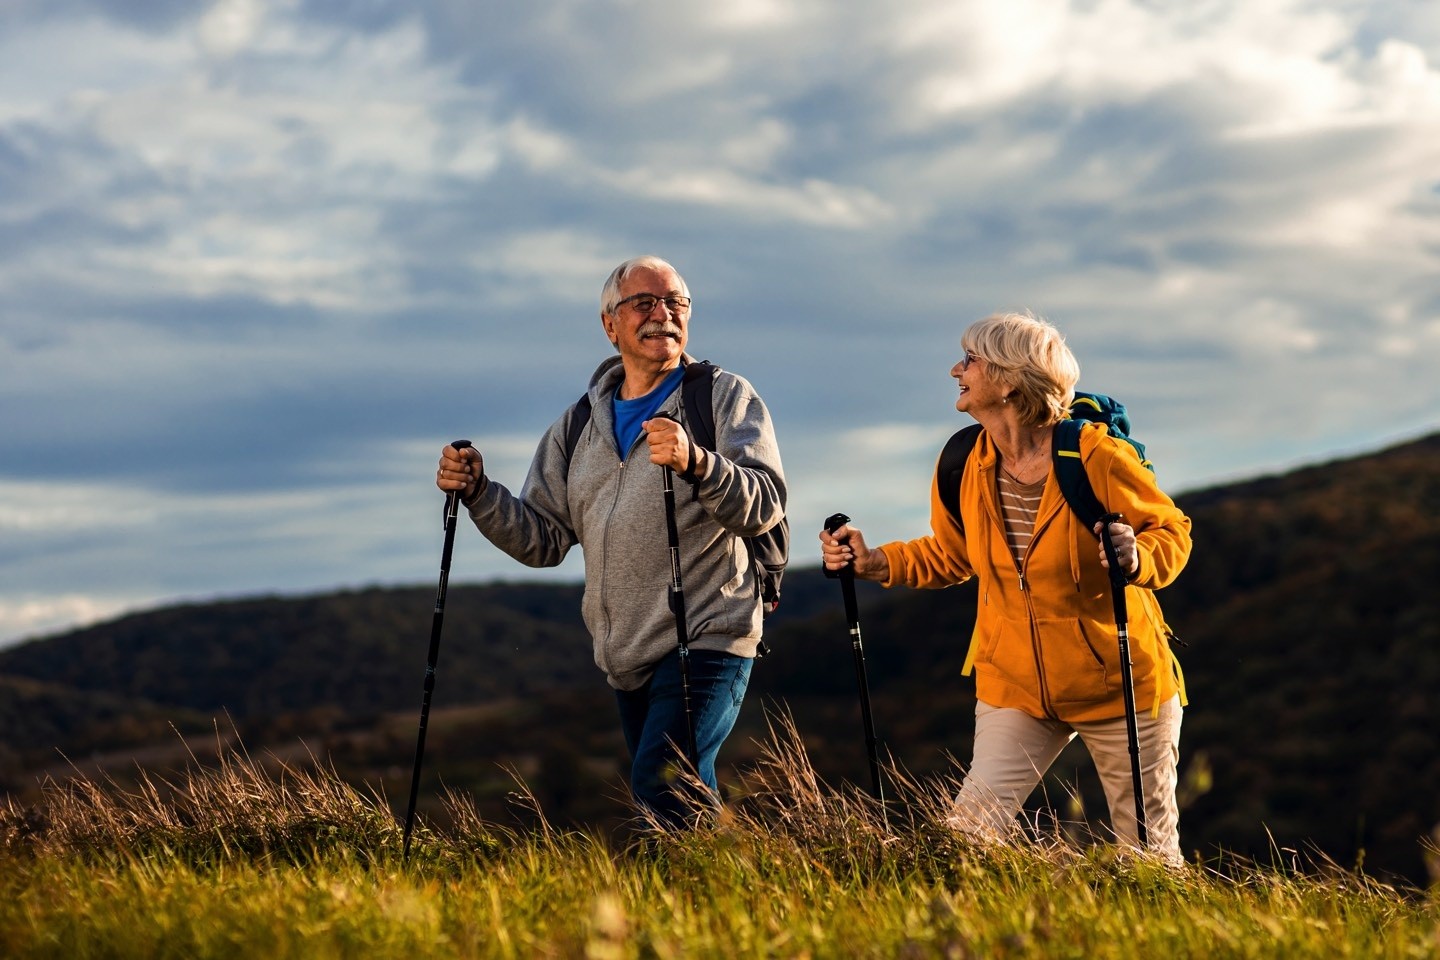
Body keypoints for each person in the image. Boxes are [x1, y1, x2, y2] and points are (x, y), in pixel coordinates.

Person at [818, 311, 1191, 864]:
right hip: (1014, 684)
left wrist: (1139, 559)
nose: (955, 370)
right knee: (965, 839)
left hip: (1120, 686)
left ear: (1011, 381)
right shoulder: (964, 461)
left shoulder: (1097, 457)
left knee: (1150, 855)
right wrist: (873, 562)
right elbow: (951, 556)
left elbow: (1172, 532)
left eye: (970, 360)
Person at [436, 255, 786, 828]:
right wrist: (479, 492)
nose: (663, 315)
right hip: (626, 652)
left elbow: (765, 503)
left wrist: (698, 462)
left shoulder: (723, 397)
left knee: (663, 785)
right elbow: (542, 539)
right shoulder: (577, 427)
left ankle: (689, 908)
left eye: (676, 302)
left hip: (709, 630)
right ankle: (727, 896)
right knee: (679, 792)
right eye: (643, 303)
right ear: (610, 324)